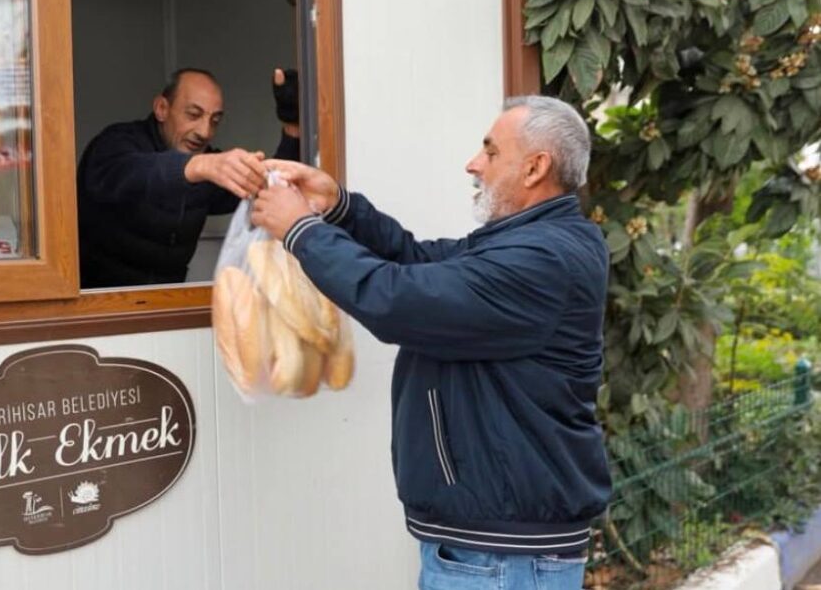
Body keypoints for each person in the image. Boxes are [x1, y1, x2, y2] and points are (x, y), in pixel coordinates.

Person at [250, 95, 611, 590]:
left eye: (490, 151)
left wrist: (300, 229)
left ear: (535, 167)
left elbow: (396, 301)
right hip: (494, 545)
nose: (473, 164)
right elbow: (418, 261)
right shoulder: (529, 242)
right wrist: (339, 207)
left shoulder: (542, 260)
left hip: (501, 556)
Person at [76, 67, 301, 288]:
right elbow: (127, 174)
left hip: (170, 307)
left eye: (214, 120)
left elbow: (266, 188)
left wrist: (292, 129)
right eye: (193, 115)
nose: (204, 132)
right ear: (162, 108)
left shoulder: (207, 166)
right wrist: (197, 166)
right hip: (97, 310)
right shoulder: (116, 143)